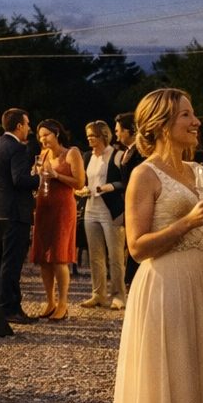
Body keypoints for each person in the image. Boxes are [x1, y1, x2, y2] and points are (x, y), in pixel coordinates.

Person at [113, 88, 203, 403]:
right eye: (186, 115)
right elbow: (137, 247)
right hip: (166, 288)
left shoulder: (200, 170)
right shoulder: (144, 175)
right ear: (162, 124)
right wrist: (188, 221)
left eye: (193, 113)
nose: (196, 121)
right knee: (174, 372)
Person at [0, 109, 41, 320]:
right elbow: (19, 180)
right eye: (27, 124)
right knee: (12, 261)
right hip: (14, 212)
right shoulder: (17, 148)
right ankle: (10, 308)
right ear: (19, 126)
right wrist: (40, 178)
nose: (29, 128)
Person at [29, 119, 85, 319]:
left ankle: (63, 303)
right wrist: (35, 174)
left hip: (62, 208)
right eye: (40, 136)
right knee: (44, 259)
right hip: (43, 207)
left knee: (59, 257)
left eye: (46, 135)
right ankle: (50, 302)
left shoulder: (71, 153)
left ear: (57, 134)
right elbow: (38, 178)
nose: (43, 139)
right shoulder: (43, 154)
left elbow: (80, 183)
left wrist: (57, 175)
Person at [78, 120, 127, 311]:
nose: (90, 139)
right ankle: (98, 294)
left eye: (94, 136)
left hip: (110, 210)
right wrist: (82, 189)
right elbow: (84, 180)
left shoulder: (117, 155)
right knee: (95, 255)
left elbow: (125, 182)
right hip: (91, 208)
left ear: (104, 136)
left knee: (115, 256)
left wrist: (108, 187)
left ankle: (119, 295)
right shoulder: (87, 156)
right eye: (88, 136)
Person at [114, 112, 145, 288]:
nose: (116, 134)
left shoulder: (140, 151)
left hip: (138, 204)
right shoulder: (127, 151)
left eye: (118, 130)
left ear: (128, 131)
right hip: (128, 203)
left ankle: (134, 283)